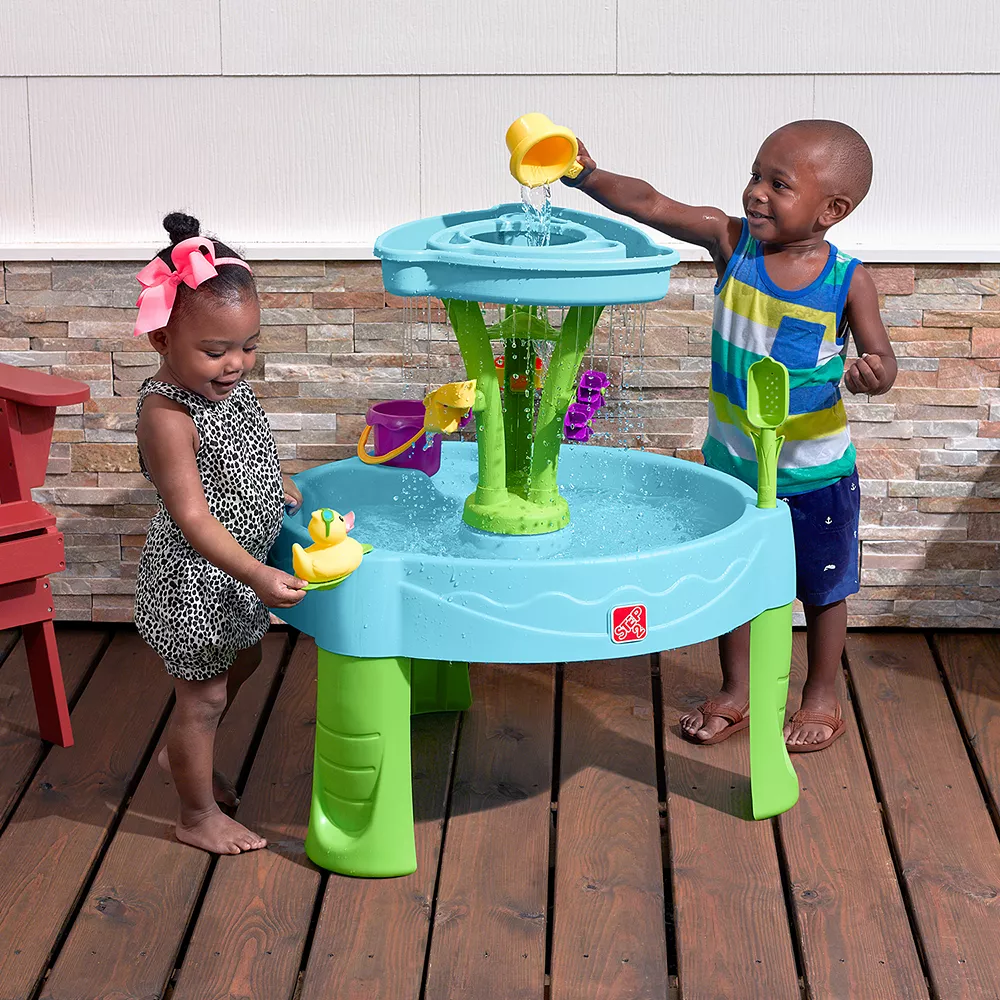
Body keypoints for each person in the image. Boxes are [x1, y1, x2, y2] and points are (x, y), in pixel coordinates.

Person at [564, 120, 897, 751]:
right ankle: (736, 692)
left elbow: (882, 359)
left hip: (814, 471)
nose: (756, 192)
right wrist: (587, 176)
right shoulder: (733, 244)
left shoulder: (847, 280)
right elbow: (651, 203)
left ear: (832, 210)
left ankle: (821, 695)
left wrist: (871, 374)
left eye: (779, 184)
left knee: (823, 589)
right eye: (755, 175)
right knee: (736, 581)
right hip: (735, 467)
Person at [133, 212, 306, 852]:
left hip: (233, 581)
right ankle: (195, 814)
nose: (236, 364)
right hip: (194, 586)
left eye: (248, 346)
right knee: (202, 700)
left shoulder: (222, 388)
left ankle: (183, 753)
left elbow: (244, 441)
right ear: (161, 339)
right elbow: (193, 516)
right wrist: (258, 573)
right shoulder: (168, 413)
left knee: (248, 658)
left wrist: (273, 477)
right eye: (216, 351)